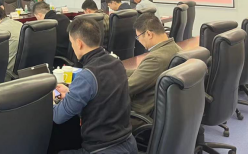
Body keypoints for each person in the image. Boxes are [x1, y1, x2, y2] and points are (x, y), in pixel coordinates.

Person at [53, 17, 136, 154]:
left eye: (71, 43)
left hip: (102, 149)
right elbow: (101, 99)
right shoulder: (116, 63)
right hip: (128, 144)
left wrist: (52, 99)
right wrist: (70, 93)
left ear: (79, 43)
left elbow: (58, 116)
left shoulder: (87, 76)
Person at [127, 13, 181, 123]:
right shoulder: (175, 48)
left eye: (138, 37)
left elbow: (127, 87)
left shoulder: (156, 58)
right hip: (163, 110)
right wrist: (118, 71)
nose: (139, 41)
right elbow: (144, 73)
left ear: (149, 34)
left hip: (140, 114)